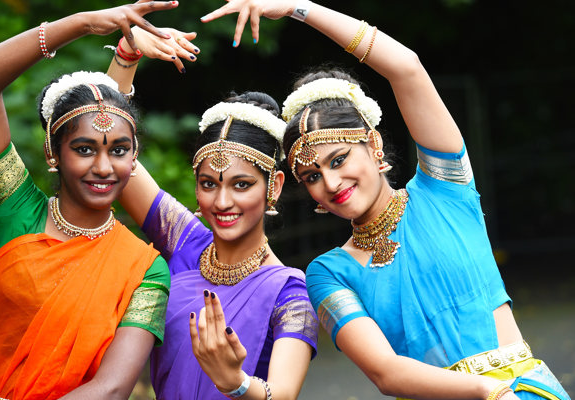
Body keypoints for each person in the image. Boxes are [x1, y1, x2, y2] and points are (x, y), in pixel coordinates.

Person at [201, 1, 571, 400]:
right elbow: (386, 373)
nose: (330, 181)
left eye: (339, 160)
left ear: (374, 145)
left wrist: (298, 8)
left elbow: (406, 68)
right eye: (311, 176)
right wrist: (487, 390)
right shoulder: (329, 273)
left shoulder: (444, 190)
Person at [0, 2, 196, 399]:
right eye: (84, 149)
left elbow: (112, 388)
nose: (103, 167)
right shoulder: (12, 209)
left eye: (119, 150)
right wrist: (84, 24)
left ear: (134, 157)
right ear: (54, 154)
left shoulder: (145, 269)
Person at [108, 31, 318, 398]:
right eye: (208, 184)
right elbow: (112, 150)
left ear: (275, 185)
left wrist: (235, 382)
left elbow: (281, 394)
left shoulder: (290, 293)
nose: (221, 202)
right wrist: (127, 54)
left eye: (241, 185)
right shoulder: (184, 240)